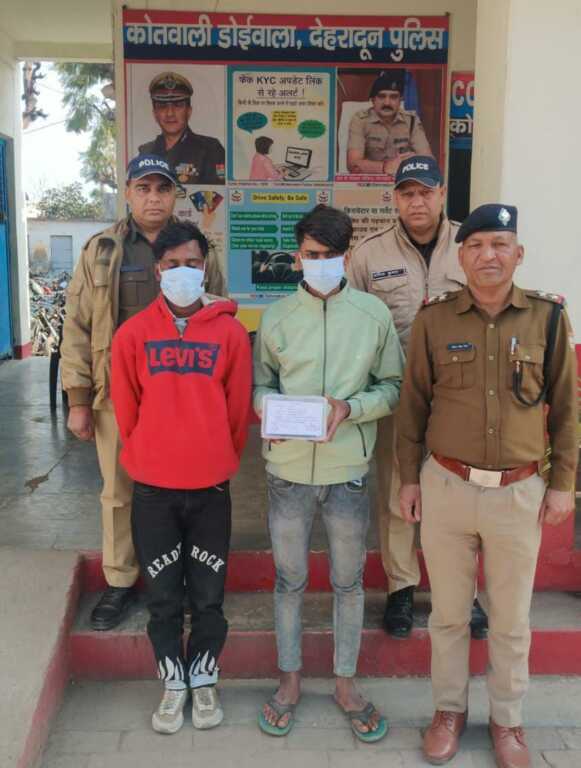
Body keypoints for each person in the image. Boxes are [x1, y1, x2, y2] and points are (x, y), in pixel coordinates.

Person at [397, 204, 578, 767]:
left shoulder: (548, 318)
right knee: (449, 614)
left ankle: (508, 720)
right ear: (462, 257)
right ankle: (448, 711)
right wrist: (408, 479)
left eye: (499, 244)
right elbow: (412, 406)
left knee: (511, 619)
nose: (488, 256)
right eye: (475, 246)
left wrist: (563, 484)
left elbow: (567, 410)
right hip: (447, 486)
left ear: (518, 254)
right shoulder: (435, 319)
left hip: (518, 492)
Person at [253, 205, 404, 742]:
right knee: (289, 580)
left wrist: (351, 409)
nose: (320, 263)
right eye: (311, 254)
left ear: (346, 256)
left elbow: (392, 386)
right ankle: (289, 680)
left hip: (347, 473)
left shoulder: (372, 315)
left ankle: (345, 683)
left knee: (348, 582)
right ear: (297, 257)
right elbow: (261, 385)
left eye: (331, 255)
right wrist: (267, 410)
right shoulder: (275, 317)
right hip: (288, 472)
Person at [61, 154, 225, 632]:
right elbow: (77, 326)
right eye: (144, 188)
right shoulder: (101, 250)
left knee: (186, 490)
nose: (154, 198)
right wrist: (78, 400)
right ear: (128, 192)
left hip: (184, 395)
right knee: (119, 491)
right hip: (118, 395)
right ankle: (120, 579)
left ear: (175, 195)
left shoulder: (200, 249)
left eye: (163, 188)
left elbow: (218, 315)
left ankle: (181, 580)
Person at [111, 220, 252, 734]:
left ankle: (204, 677)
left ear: (205, 266)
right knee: (164, 593)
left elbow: (238, 412)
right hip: (153, 489)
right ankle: (173, 681)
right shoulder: (132, 334)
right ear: (158, 271)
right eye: (172, 265)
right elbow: (126, 410)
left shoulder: (231, 333)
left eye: (192, 263)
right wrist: (152, 453)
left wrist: (215, 455)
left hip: (211, 486)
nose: (183, 272)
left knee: (209, 594)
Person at [347, 155, 488, 639]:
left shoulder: (471, 245)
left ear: (442, 194)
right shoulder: (369, 255)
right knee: (397, 492)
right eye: (407, 193)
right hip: (398, 395)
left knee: (462, 496)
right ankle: (401, 588)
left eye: (426, 192)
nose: (417, 202)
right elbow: (355, 323)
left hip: (461, 397)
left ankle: (463, 593)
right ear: (395, 199)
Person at [139, 72, 225, 185]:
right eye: (162, 106)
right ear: (155, 114)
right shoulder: (146, 152)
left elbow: (219, 192)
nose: (170, 113)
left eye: (178, 105)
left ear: (188, 111)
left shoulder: (211, 150)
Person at [347, 70, 432, 175]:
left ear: (400, 100)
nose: (387, 103)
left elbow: (429, 161)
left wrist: (410, 163)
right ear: (373, 100)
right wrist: (385, 167)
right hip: (371, 179)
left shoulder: (412, 120)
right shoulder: (360, 120)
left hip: (402, 177)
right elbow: (353, 164)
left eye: (393, 97)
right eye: (381, 96)